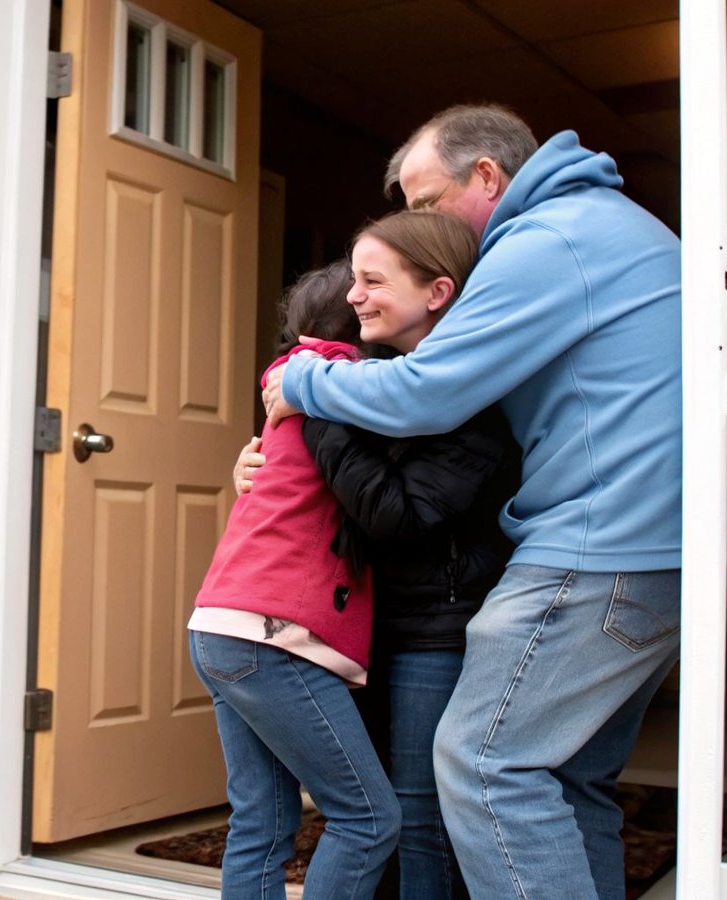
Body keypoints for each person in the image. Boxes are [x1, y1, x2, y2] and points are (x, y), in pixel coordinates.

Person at [259, 105, 682, 900]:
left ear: (486, 177)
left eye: (424, 204)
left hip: (601, 546)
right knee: (568, 780)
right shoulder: (616, 226)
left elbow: (428, 392)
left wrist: (303, 381)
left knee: (486, 764)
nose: (418, 225)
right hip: (663, 550)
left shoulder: (545, 241)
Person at [238, 210, 519, 900]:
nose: (356, 295)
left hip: (431, 630)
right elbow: (321, 494)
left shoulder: (469, 400)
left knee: (417, 816)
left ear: (438, 292)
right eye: (353, 280)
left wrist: (317, 410)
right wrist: (260, 463)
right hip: (352, 626)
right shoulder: (357, 375)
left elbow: (397, 516)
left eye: (373, 280)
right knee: (370, 815)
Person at [191, 259, 399, 900]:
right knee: (368, 818)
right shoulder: (346, 384)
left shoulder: (290, 391)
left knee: (262, 819)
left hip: (218, 625)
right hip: (271, 635)